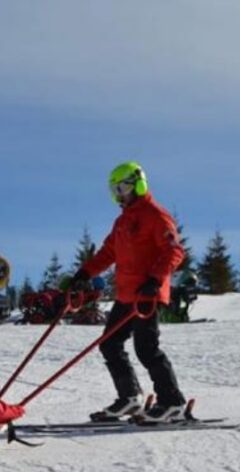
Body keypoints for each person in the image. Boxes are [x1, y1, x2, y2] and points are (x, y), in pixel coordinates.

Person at [69, 162, 187, 422]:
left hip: (147, 295)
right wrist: (85, 274)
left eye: (122, 187)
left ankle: (172, 402)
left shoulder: (155, 215)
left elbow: (174, 251)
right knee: (109, 344)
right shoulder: (122, 221)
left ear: (138, 183)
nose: (119, 194)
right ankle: (130, 398)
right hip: (126, 295)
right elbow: (108, 253)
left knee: (146, 348)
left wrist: (155, 280)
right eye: (114, 189)